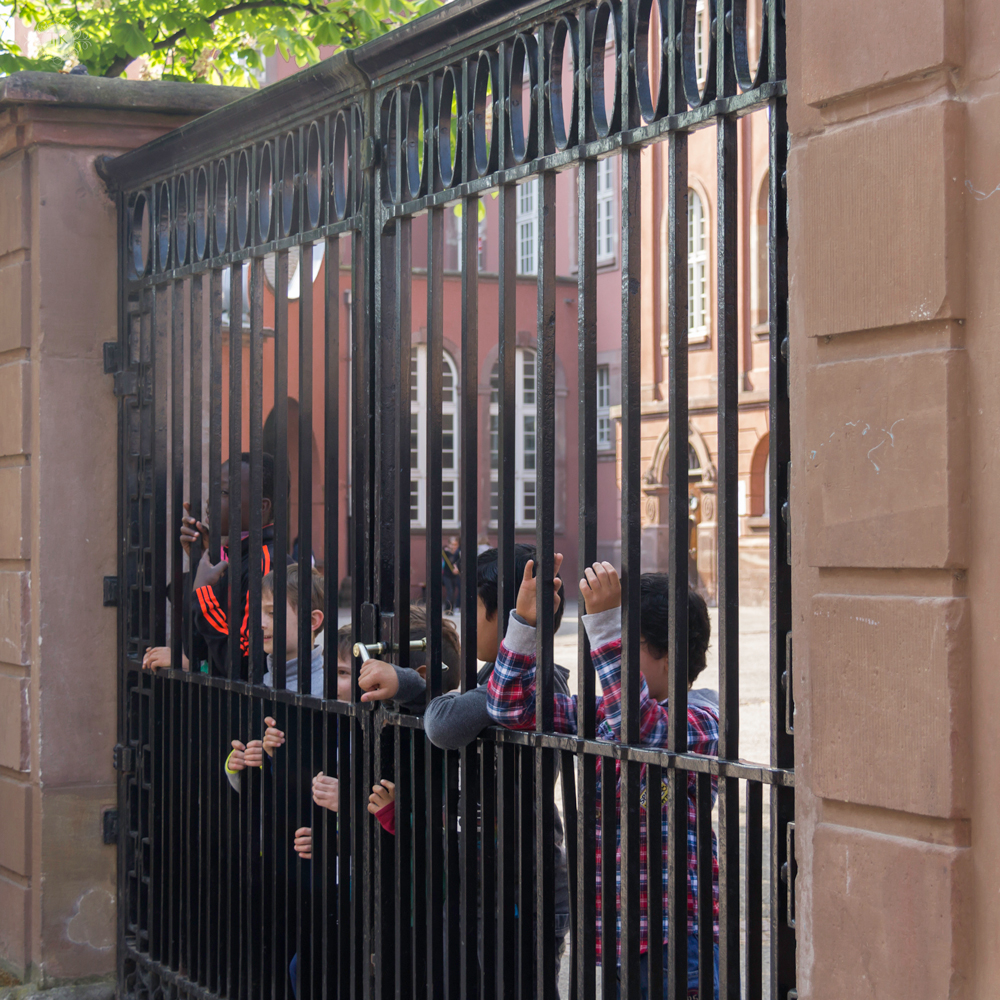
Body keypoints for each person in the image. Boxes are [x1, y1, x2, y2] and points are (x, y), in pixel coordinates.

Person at [487, 562, 720, 1000]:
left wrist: (606, 623)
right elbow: (509, 710)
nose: (608, 662)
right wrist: (525, 626)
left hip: (678, 941)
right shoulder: (602, 716)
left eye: (623, 648)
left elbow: (644, 730)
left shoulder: (704, 719)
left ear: (668, 655)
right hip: (616, 942)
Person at [376, 545, 572, 992]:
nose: (462, 617)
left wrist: (420, 689)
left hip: (525, 888)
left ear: (503, 618)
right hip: (485, 885)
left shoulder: (532, 683)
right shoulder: (493, 680)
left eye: (470, 607)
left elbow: (444, 724)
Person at [189, 452, 280, 680]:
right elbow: (199, 650)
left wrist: (203, 596)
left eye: (224, 492)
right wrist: (204, 558)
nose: (211, 501)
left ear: (261, 507)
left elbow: (245, 665)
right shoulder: (232, 556)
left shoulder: (266, 563)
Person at [442, 535, 461, 613]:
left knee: (456, 591)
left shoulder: (458, 553)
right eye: (452, 544)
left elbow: (458, 563)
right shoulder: (446, 553)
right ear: (449, 544)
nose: (453, 546)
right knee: (450, 592)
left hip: (455, 575)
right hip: (447, 575)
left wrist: (457, 569)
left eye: (455, 545)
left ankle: (454, 607)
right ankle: (448, 609)